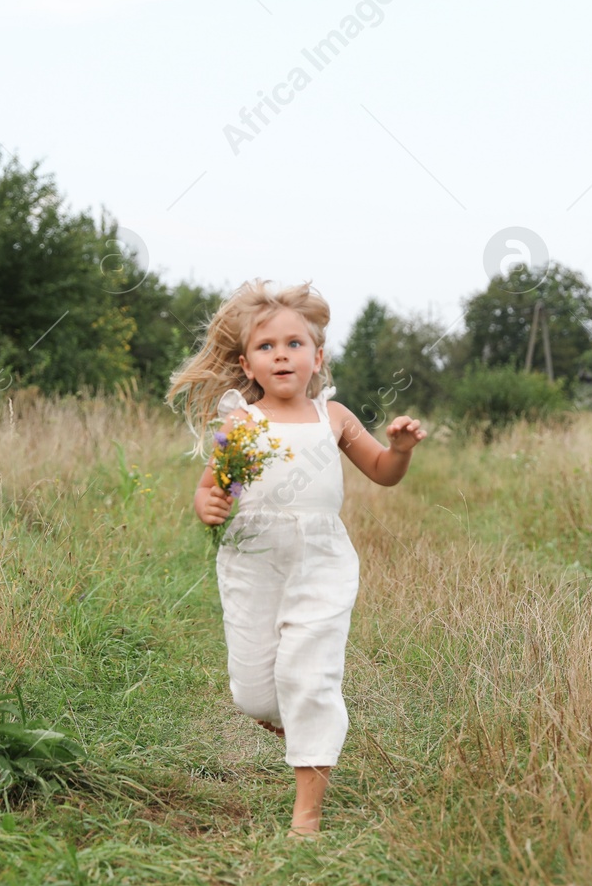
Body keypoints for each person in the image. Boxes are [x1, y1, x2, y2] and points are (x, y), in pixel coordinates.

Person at [167, 279, 425, 838]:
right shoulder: (240, 423)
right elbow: (212, 489)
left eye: (294, 344)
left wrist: (399, 449)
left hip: (321, 561)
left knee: (307, 679)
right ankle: (314, 734)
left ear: (318, 357)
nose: (281, 354)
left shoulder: (333, 419)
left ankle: (305, 817)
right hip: (251, 562)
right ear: (247, 364)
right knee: (254, 693)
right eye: (266, 347)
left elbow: (382, 472)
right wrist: (206, 504)